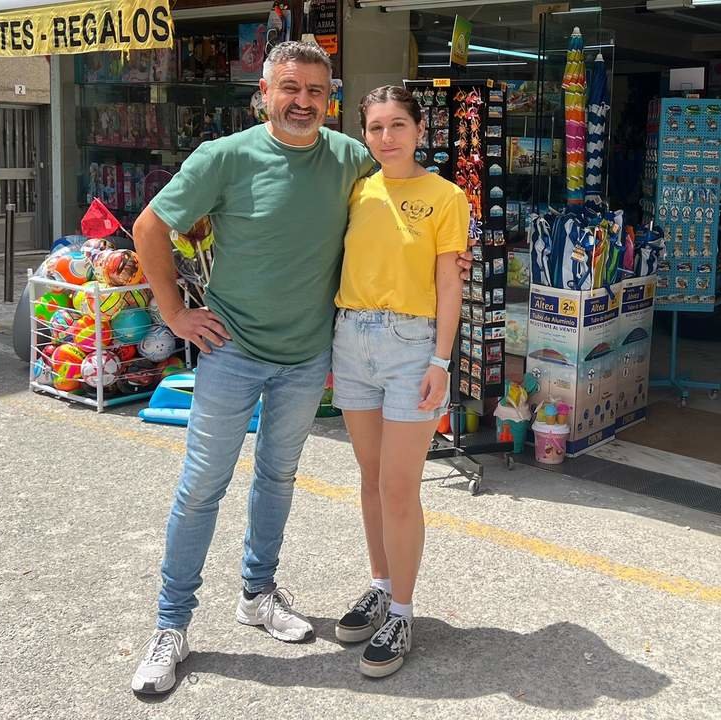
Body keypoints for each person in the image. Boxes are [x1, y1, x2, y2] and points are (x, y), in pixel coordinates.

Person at [128, 42, 374, 695]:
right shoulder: (226, 158)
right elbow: (149, 228)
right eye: (290, 88)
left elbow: (395, 216)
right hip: (230, 350)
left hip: (303, 356)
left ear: (330, 98)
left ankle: (257, 595)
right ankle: (171, 625)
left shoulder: (349, 159)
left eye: (316, 91)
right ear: (263, 93)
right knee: (202, 485)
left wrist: (448, 254)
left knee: (277, 478)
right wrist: (175, 314)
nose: (303, 102)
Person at [329, 86, 467, 678]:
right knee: (368, 477)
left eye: (398, 125)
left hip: (412, 346)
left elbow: (449, 283)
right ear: (365, 134)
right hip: (350, 338)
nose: (387, 137)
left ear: (419, 130)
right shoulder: (357, 189)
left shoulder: (446, 196)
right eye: (376, 127)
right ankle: (380, 585)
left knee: (399, 485)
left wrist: (442, 361)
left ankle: (403, 612)